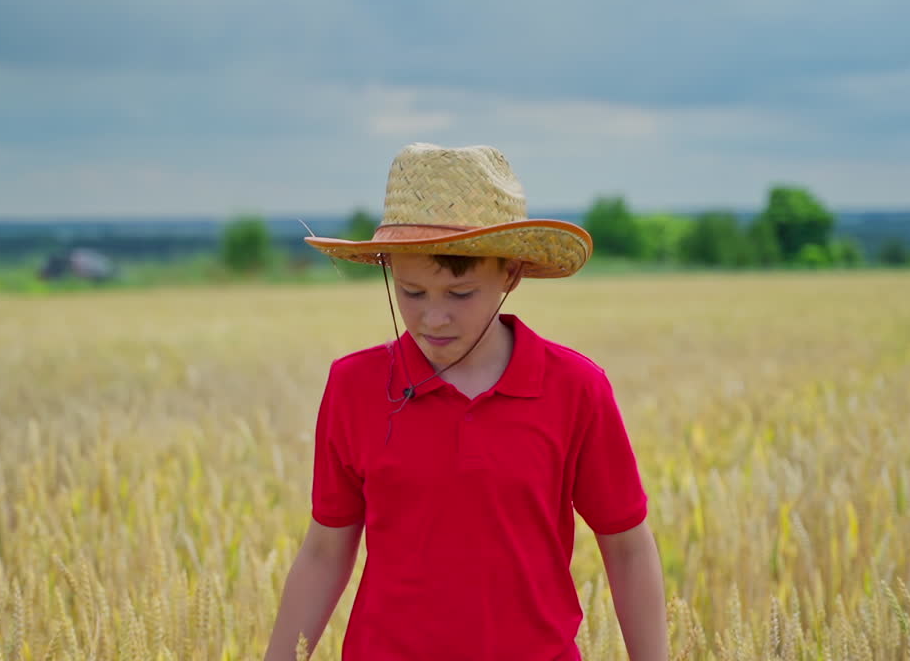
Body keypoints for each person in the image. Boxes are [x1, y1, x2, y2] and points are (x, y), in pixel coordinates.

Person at [264, 143, 668, 660]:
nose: (434, 319)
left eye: (459, 295)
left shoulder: (575, 389)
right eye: (412, 292)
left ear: (511, 274)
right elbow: (324, 550)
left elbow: (629, 548)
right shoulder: (354, 386)